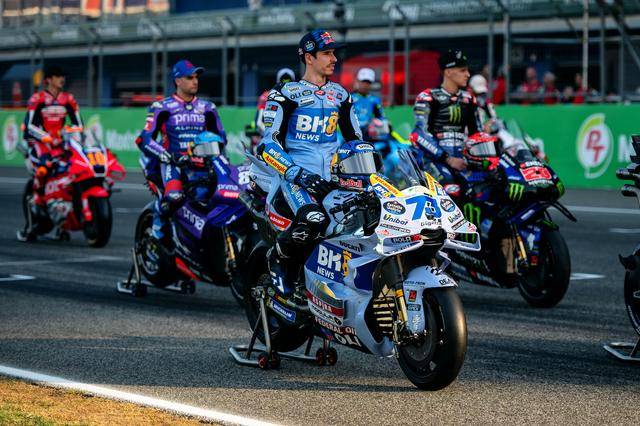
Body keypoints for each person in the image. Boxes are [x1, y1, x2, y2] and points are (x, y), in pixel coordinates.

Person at [256, 29, 362, 295]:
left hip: (333, 179)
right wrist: (297, 173)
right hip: (296, 178)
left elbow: (356, 140)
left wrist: (368, 165)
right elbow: (267, 145)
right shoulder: (284, 93)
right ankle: (279, 258)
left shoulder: (341, 95)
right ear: (309, 57)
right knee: (314, 219)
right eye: (327, 53)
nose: (334, 59)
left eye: (334, 53)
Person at [136, 59, 227, 242]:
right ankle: (157, 222)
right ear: (178, 81)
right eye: (189, 78)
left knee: (221, 196)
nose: (195, 81)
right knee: (174, 197)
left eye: (196, 77)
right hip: (172, 163)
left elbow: (221, 138)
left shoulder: (208, 108)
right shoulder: (161, 107)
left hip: (202, 164)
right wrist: (168, 156)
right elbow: (144, 139)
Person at [18, 65, 83, 242]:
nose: (62, 79)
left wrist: (67, 131)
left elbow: (79, 124)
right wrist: (45, 136)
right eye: (57, 76)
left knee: (73, 173)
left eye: (63, 76)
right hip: (41, 145)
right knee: (42, 173)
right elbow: (29, 126)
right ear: (48, 79)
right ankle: (30, 228)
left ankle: (63, 225)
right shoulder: (37, 98)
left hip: (61, 145)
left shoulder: (68, 98)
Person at [410, 49, 481, 190]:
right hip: (433, 160)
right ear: (448, 72)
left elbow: (476, 134)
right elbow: (418, 135)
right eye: (462, 70)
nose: (468, 74)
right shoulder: (427, 97)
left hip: (462, 161)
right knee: (451, 188)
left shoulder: (469, 99)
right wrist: (448, 159)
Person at [254, 68, 296, 135]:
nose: (286, 84)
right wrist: (272, 135)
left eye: (289, 82)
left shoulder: (300, 98)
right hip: (273, 137)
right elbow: (259, 123)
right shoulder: (266, 96)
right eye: (283, 81)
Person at [351, 67, 385, 139]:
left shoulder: (374, 100)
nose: (365, 85)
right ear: (358, 81)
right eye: (363, 81)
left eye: (368, 82)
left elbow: (380, 117)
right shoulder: (350, 98)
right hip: (351, 134)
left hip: (368, 135)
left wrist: (378, 122)